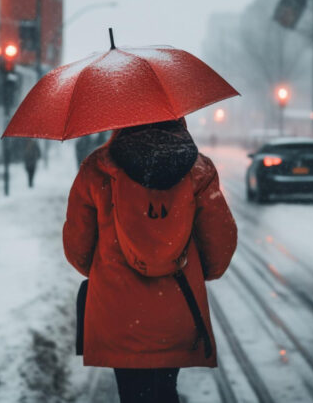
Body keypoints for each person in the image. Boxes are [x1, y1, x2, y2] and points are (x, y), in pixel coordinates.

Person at [63, 119, 237, 403]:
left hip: (118, 315)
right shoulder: (198, 170)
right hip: (177, 308)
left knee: (132, 394)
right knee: (164, 390)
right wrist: (187, 267)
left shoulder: (97, 169)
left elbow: (77, 249)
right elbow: (220, 247)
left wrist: (107, 269)